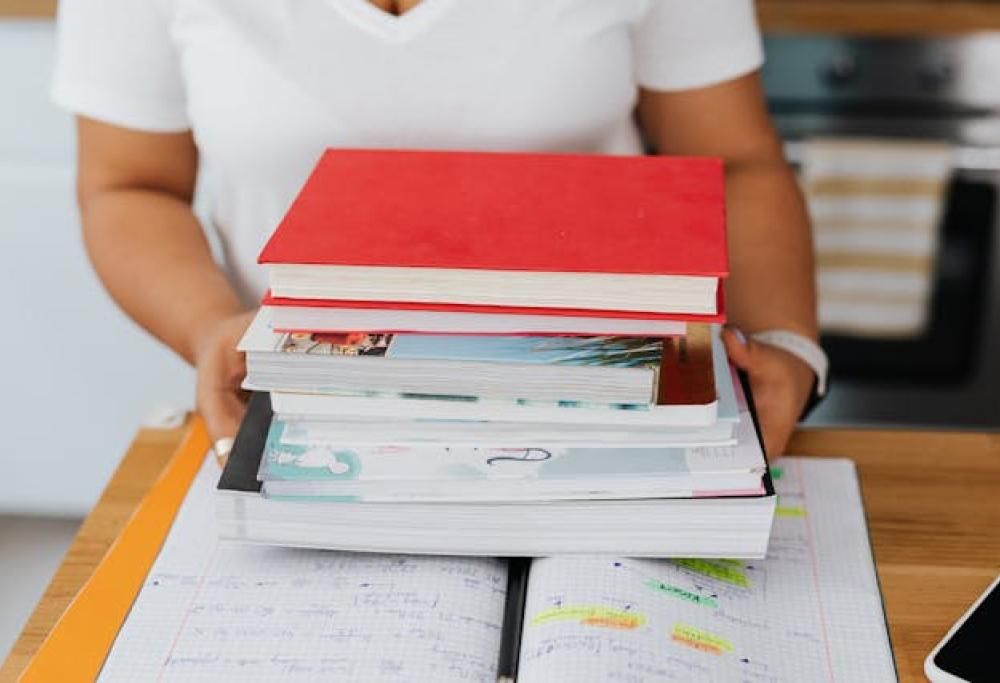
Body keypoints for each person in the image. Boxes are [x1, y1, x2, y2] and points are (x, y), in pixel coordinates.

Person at [53, 0, 822, 458]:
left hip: (615, 411)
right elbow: (130, 185)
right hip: (299, 416)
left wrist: (784, 342)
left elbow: (737, 163)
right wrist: (210, 326)